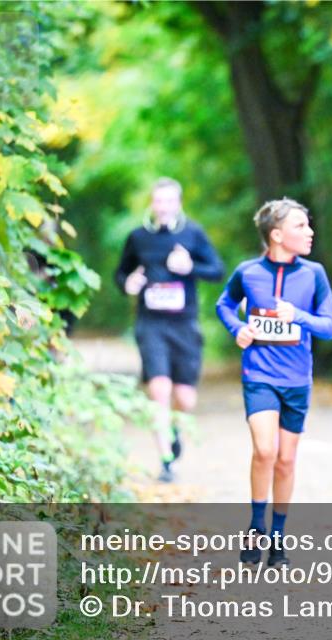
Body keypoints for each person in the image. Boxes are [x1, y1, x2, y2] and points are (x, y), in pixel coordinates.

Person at [216, 198, 332, 568]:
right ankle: (256, 526)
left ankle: (279, 537)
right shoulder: (247, 272)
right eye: (301, 226)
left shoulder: (314, 274)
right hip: (259, 375)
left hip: (297, 379)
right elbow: (224, 304)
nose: (310, 231)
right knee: (265, 450)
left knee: (285, 460)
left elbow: (330, 327)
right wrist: (238, 329)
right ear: (277, 235)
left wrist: (298, 315)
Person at [114, 177, 225, 483]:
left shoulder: (192, 234)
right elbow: (121, 273)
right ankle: (166, 462)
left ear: (178, 203)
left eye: (168, 201)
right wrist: (128, 283)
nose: (162, 207)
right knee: (158, 390)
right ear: (152, 203)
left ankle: (175, 428)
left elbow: (217, 271)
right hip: (150, 324)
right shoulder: (137, 237)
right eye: (158, 201)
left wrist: (190, 267)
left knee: (185, 399)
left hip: (184, 324)